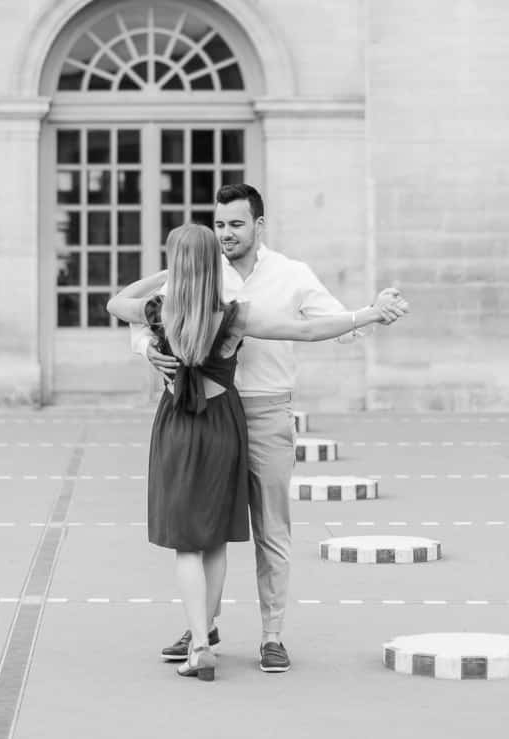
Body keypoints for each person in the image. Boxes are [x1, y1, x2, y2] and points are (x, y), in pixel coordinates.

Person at [108, 223, 407, 682]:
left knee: (187, 544)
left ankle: (202, 639)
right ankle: (207, 633)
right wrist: (367, 314)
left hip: (179, 427)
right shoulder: (233, 315)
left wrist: (167, 274)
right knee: (216, 538)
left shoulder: (159, 309)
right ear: (213, 264)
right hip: (224, 424)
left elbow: (114, 302)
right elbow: (305, 331)